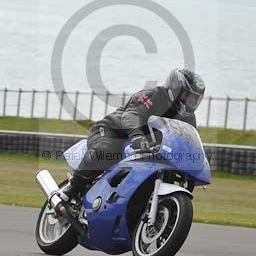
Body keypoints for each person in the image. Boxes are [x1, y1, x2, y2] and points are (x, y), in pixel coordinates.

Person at [57, 67, 206, 204]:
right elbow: (132, 115)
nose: (191, 102)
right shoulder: (153, 95)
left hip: (146, 148)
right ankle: (72, 188)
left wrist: (196, 162)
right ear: (175, 88)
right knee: (107, 150)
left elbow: (187, 141)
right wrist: (137, 136)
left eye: (195, 98)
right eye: (188, 96)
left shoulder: (188, 118)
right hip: (114, 131)